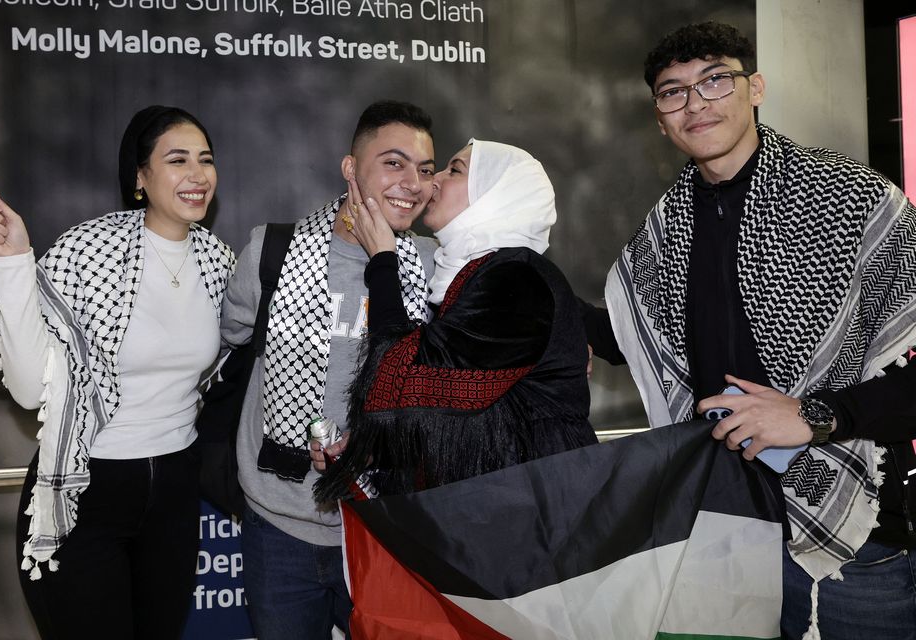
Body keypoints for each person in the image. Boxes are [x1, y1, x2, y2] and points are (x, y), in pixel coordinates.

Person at [583, 21, 916, 639]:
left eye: (714, 80)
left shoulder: (856, 201)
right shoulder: (663, 230)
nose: (695, 103)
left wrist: (815, 415)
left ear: (755, 86)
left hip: (853, 543)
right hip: (722, 530)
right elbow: (633, 340)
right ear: (660, 119)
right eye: (672, 91)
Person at [0, 105, 236, 639]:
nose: (197, 175)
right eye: (177, 159)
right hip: (86, 492)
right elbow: (28, 392)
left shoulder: (218, 260)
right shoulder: (88, 248)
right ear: (139, 177)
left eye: (205, 160)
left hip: (175, 495)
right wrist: (13, 264)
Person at [219, 100, 438, 639]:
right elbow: (223, 345)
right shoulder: (269, 253)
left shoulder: (438, 265)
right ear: (350, 169)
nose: (413, 183)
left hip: (387, 525)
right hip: (279, 525)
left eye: (426, 169)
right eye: (393, 163)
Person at [313, 139, 597, 501]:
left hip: (538, 514)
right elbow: (457, 415)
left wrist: (383, 261)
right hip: (510, 507)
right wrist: (373, 450)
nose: (434, 182)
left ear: (495, 195)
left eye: (455, 170)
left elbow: (403, 383)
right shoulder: (476, 274)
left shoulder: (515, 279)